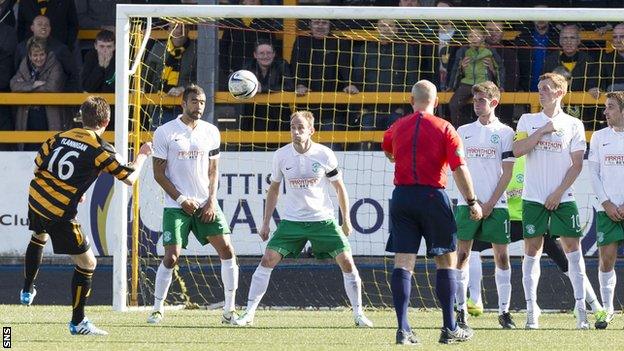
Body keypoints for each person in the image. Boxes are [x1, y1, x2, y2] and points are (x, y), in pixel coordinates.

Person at [19, 96, 153, 335]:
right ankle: (78, 322)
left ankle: (27, 290)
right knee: (88, 263)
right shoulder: (100, 149)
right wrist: (143, 154)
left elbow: (38, 166)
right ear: (106, 121)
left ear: (82, 117)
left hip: (36, 196)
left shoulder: (58, 137)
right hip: (59, 212)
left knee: (39, 235)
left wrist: (69, 190)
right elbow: (129, 178)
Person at [232, 110, 373, 328]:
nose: (296, 132)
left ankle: (359, 314)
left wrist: (346, 220)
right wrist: (265, 222)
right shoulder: (281, 155)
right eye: (292, 127)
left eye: (300, 128)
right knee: (267, 260)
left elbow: (339, 188)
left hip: (323, 220)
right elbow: (274, 190)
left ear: (311, 131)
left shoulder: (325, 154)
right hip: (292, 222)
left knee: (347, 262)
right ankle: (248, 314)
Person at [383, 80, 481, 345]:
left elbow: (389, 152)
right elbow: (459, 168)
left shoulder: (397, 126)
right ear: (436, 102)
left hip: (402, 196)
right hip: (432, 196)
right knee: (445, 262)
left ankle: (403, 330)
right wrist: (472, 201)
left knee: (403, 263)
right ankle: (450, 328)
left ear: (410, 100)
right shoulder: (445, 127)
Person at [465, 154, 606, 325]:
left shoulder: (534, 163)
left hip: (532, 220)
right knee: (473, 246)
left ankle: (594, 305)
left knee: (565, 259)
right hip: (508, 221)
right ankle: (475, 300)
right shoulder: (498, 164)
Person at [147, 84, 239, 325]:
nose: (199, 106)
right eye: (194, 102)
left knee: (227, 250)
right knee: (172, 257)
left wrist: (211, 201)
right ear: (183, 103)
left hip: (205, 204)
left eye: (202, 102)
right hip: (176, 205)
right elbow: (158, 173)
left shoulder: (211, 131)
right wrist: (180, 199)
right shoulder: (165, 132)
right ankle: (157, 309)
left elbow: (214, 170)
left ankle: (229, 310)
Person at [513, 72, 589, 330]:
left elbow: (577, 165)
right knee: (531, 252)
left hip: (563, 198)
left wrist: (558, 193)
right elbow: (518, 150)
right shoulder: (528, 119)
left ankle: (581, 310)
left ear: (560, 92)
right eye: (539, 88)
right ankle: (531, 310)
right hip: (533, 198)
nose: (541, 92)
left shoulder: (574, 124)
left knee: (574, 253)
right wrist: (542, 131)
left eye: (546, 88)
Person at [453, 81, 516, 330]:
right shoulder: (463, 131)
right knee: (462, 255)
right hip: (467, 203)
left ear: (494, 102)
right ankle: (460, 311)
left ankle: (504, 311)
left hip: (496, 204)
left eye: (481, 100)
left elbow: (507, 172)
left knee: (502, 256)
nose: (477, 104)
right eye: (475, 100)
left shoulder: (505, 132)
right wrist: (472, 200)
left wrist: (489, 203)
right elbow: (458, 168)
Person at [588, 91, 624, 329]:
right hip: (607, 209)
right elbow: (593, 172)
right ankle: (608, 310)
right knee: (606, 259)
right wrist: (606, 202)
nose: (605, 111)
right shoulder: (599, 137)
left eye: (610, 107)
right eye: (605, 106)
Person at [11, 37, 66, 151]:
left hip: (48, 116)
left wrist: (25, 87)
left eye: (41, 54)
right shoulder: (24, 66)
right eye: (35, 55)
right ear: (30, 56)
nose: (38, 58)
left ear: (46, 54)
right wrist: (33, 84)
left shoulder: (55, 65)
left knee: (49, 151)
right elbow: (14, 85)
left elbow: (53, 87)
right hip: (28, 118)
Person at [448, 27, 504, 127]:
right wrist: (451, 85)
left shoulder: (490, 51)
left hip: (484, 84)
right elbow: (455, 70)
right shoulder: (463, 51)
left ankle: (485, 125)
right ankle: (459, 128)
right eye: (471, 36)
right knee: (454, 104)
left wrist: (501, 85)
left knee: (484, 106)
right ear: (467, 38)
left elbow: (499, 68)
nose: (474, 38)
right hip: (467, 83)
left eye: (477, 36)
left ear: (483, 37)